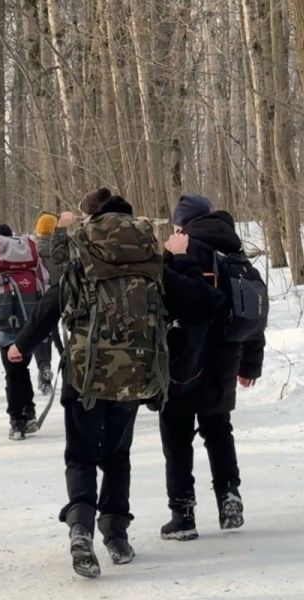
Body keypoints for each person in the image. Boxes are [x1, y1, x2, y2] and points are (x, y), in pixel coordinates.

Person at [9, 188, 218, 578]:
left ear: (93, 218)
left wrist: (22, 343)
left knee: (81, 455)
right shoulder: (148, 254)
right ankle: (116, 535)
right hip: (134, 373)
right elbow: (200, 301)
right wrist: (181, 259)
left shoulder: (82, 249)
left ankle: (81, 530)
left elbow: (54, 299)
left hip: (85, 374)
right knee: (117, 456)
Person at [159, 195, 265, 541]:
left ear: (182, 224)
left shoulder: (182, 250)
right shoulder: (234, 250)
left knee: (176, 435)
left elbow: (173, 299)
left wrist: (175, 257)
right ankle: (229, 496)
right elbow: (252, 309)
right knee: (218, 428)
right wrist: (250, 364)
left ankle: (183, 515)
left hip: (184, 358)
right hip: (225, 357)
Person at [0, 224, 46, 440]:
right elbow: (44, 283)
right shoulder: (29, 255)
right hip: (30, 322)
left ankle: (17, 421)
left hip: (6, 325)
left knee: (13, 373)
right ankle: (29, 412)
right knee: (23, 368)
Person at [33, 212, 63, 395]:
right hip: (58, 295)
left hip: (38, 297)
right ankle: (66, 363)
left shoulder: (32, 249)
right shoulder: (59, 249)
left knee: (41, 333)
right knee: (56, 332)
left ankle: (44, 367)